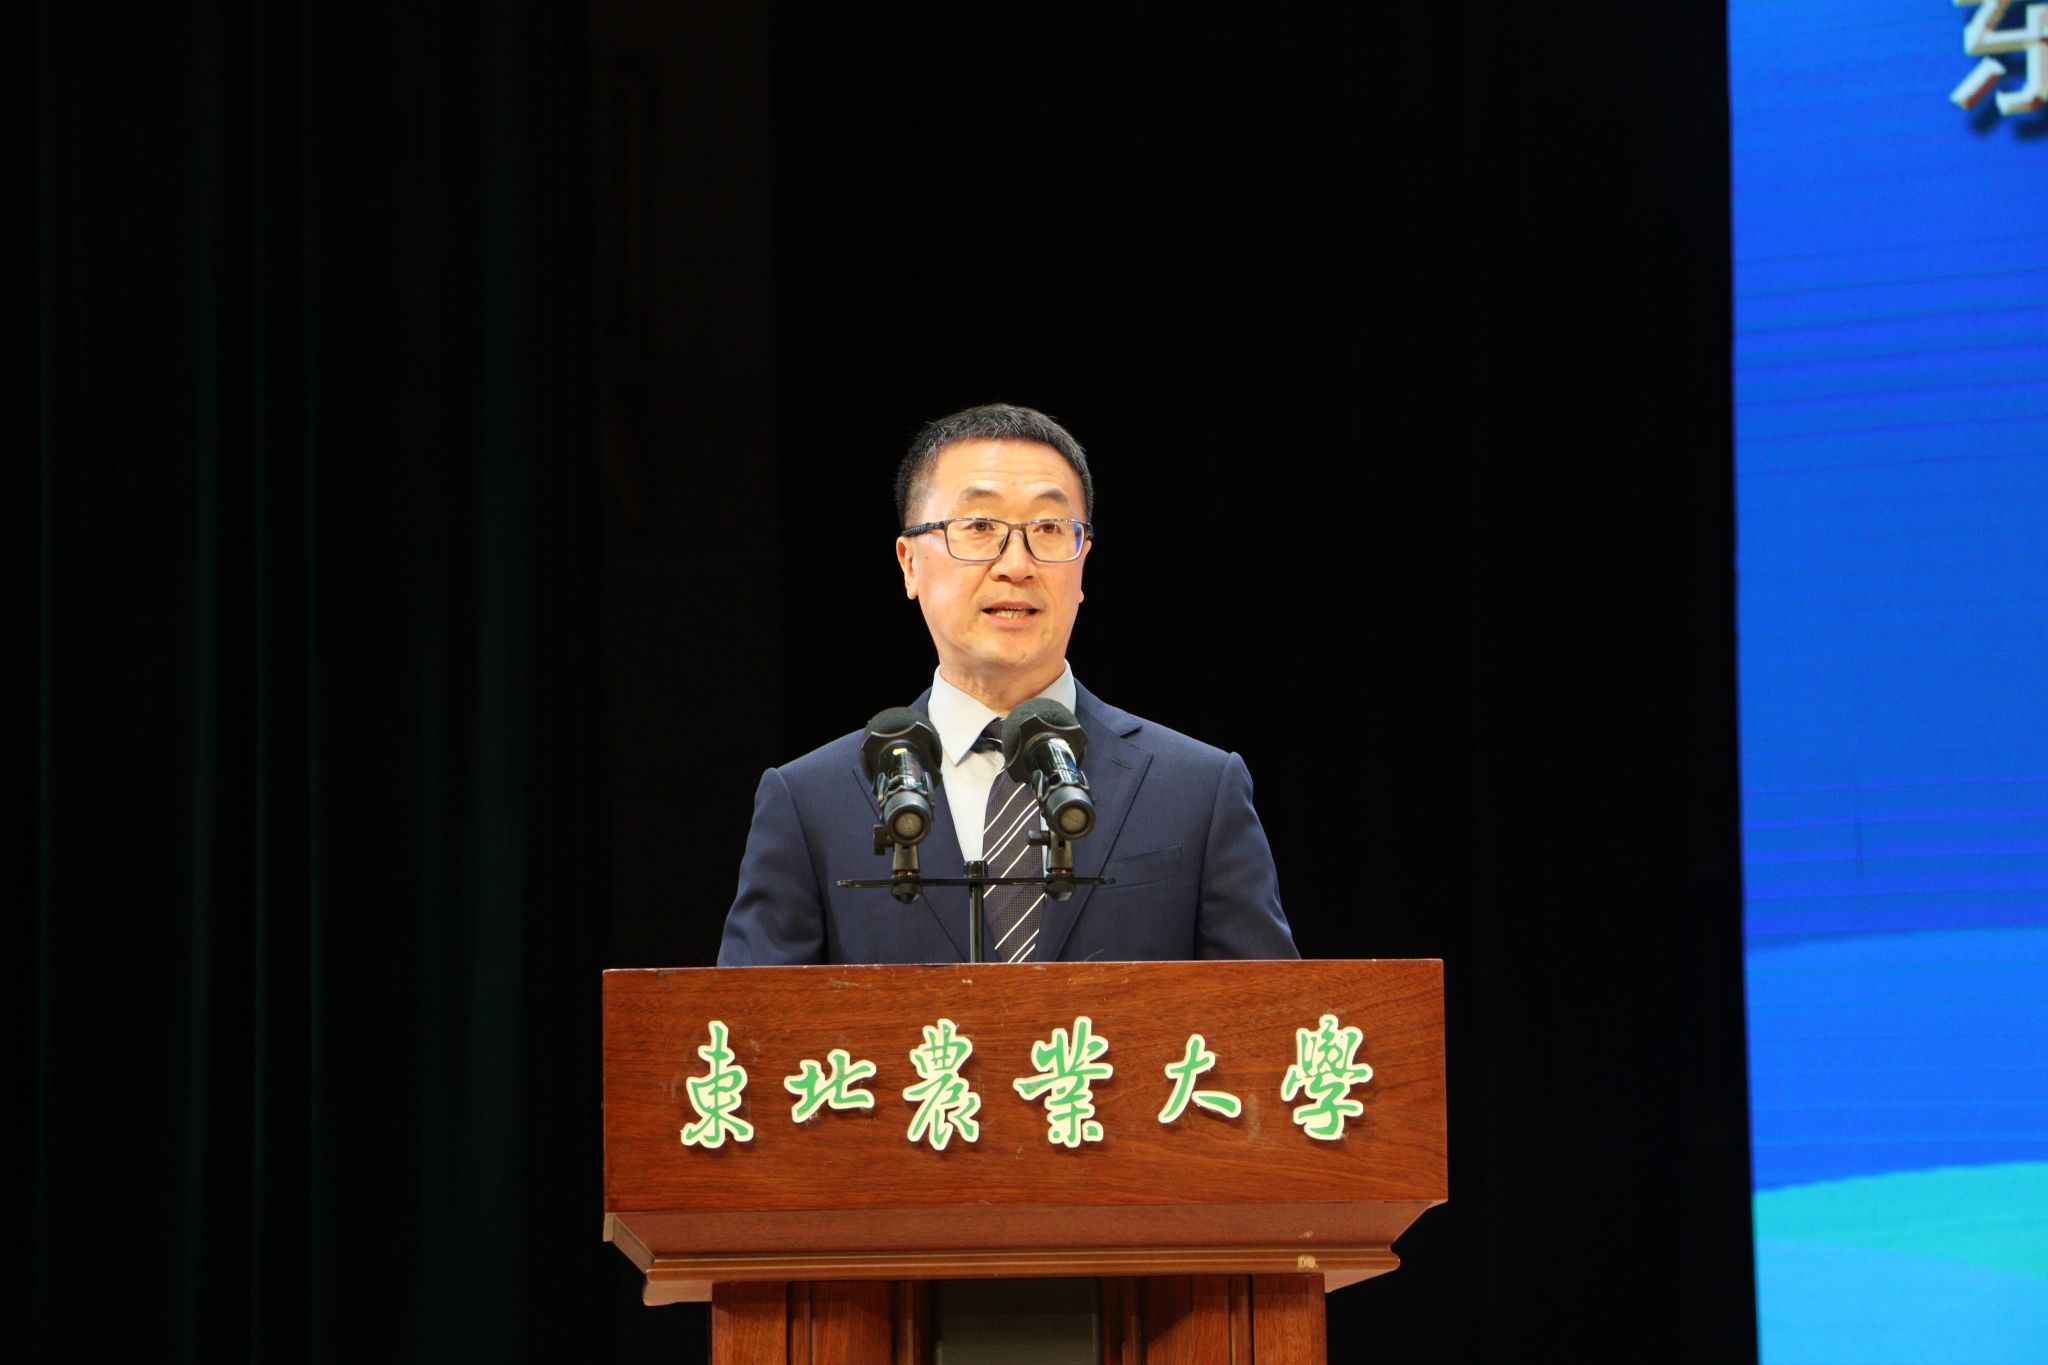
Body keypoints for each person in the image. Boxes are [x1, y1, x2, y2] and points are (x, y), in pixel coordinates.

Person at [716, 403, 1296, 964]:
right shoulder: (810, 803)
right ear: (909, 563)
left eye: (1049, 528)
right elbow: (748, 1023)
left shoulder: (1198, 789)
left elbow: (1271, 1015)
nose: (1016, 565)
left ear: (1083, 562)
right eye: (979, 526)